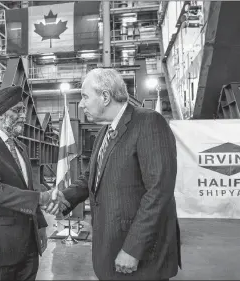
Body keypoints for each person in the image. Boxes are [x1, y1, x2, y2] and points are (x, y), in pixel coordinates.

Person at [51, 68, 182, 280]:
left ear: (105, 96)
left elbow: (159, 191)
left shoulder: (148, 123)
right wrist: (65, 197)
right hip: (109, 247)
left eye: (85, 96)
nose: (81, 104)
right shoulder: (105, 131)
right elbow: (92, 177)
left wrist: (133, 248)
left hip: (138, 256)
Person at [0, 85, 67, 280]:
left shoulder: (20, 148)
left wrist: (40, 225)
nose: (23, 116)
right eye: (18, 110)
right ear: (0, 114)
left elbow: (28, 189)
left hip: (28, 247)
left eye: (24, 111)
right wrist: (42, 198)